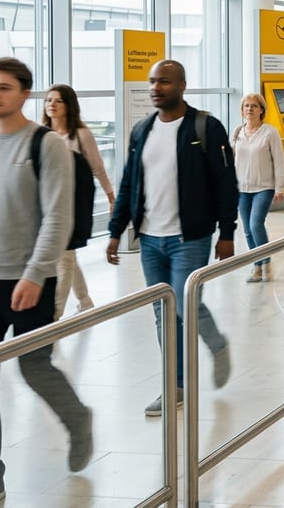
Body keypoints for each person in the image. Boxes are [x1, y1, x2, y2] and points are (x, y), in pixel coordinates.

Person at [0, 58, 94, 500]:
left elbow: (57, 217)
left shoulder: (45, 144)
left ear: (24, 94)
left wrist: (34, 274)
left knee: (34, 367)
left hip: (31, 279)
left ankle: (77, 418)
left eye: (5, 88)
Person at [107, 59, 235, 416]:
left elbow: (226, 183)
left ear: (181, 85)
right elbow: (129, 182)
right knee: (165, 313)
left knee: (183, 304)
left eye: (163, 81)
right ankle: (178, 383)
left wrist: (227, 232)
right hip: (149, 239)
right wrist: (116, 230)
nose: (155, 88)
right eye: (152, 82)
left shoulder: (205, 127)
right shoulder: (142, 130)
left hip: (190, 237)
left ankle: (202, 357)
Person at [42, 83, 114, 318]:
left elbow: (98, 168)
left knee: (64, 258)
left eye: (57, 101)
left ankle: (54, 317)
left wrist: (111, 197)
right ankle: (85, 301)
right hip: (47, 204)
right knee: (67, 256)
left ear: (69, 105)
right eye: (48, 100)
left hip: (73, 205)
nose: (51, 104)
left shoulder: (80, 135)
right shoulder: (41, 134)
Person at [231, 93, 284, 283]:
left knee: (256, 224)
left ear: (261, 110)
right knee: (247, 229)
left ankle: (266, 263)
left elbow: (279, 161)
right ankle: (256, 266)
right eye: (246, 106)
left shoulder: (269, 132)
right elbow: (231, 161)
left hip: (264, 187)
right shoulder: (237, 132)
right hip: (242, 188)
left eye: (254, 106)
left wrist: (280, 187)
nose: (249, 109)